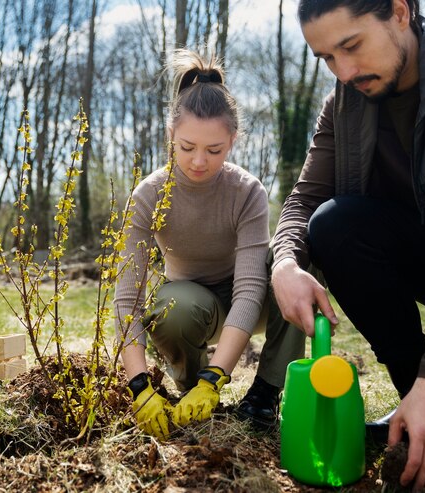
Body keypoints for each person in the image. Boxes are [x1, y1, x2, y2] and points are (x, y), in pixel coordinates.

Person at [271, 0, 425, 490]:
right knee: (335, 224)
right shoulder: (346, 101)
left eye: (351, 46)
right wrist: (285, 262)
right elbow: (305, 198)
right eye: (327, 58)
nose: (344, 71)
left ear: (399, 12)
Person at [114, 49, 297, 440]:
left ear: (232, 139)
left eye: (214, 150)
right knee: (170, 308)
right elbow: (127, 298)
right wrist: (139, 386)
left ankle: (264, 393)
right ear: (171, 137)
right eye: (187, 147)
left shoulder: (247, 191)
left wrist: (217, 376)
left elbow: (249, 289)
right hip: (194, 303)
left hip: (252, 297)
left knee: (299, 264)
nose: (199, 161)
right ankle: (189, 385)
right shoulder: (148, 196)